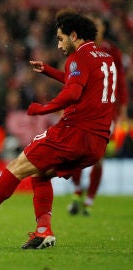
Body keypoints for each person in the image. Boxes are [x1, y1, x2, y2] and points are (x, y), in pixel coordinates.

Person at [0, 10, 116, 249]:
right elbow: (82, 82)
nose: (58, 45)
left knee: (16, 167)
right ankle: (43, 231)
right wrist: (50, 71)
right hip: (97, 142)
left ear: (74, 35)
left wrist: (44, 108)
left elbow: (74, 91)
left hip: (72, 133)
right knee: (42, 174)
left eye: (60, 39)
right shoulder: (105, 57)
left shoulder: (78, 58)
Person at [67, 15, 129, 216]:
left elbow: (120, 82)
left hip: (105, 111)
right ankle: (77, 192)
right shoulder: (80, 50)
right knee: (77, 153)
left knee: (98, 156)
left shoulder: (112, 51)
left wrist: (123, 109)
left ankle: (89, 201)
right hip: (82, 109)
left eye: (98, 25)